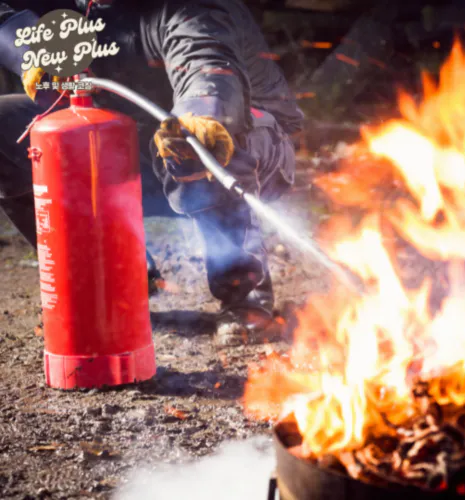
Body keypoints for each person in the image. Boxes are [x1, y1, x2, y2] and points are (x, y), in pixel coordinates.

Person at [0, 0, 303, 344]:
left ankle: (244, 297)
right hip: (127, 137)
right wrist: (24, 47)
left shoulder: (190, 9)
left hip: (250, 142)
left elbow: (206, 61)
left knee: (193, 138)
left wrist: (202, 112)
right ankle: (115, 283)